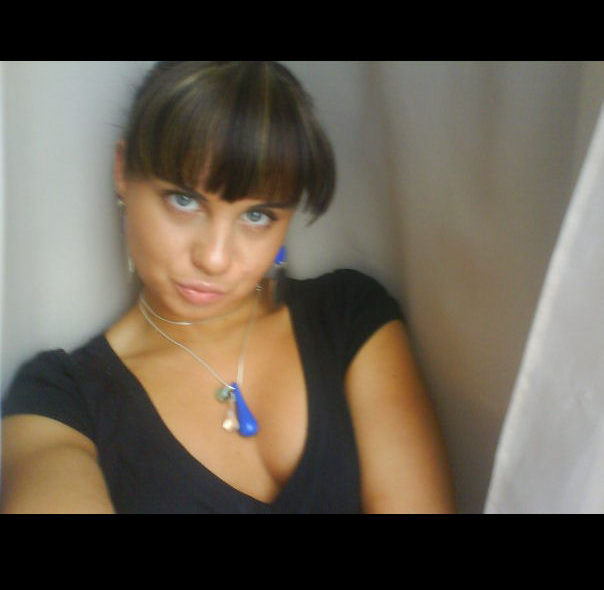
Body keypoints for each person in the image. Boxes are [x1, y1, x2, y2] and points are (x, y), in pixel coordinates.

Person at [1, 61, 455, 513]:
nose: (215, 258)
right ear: (123, 171)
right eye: (184, 200)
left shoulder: (347, 317)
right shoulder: (60, 397)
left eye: (257, 216)